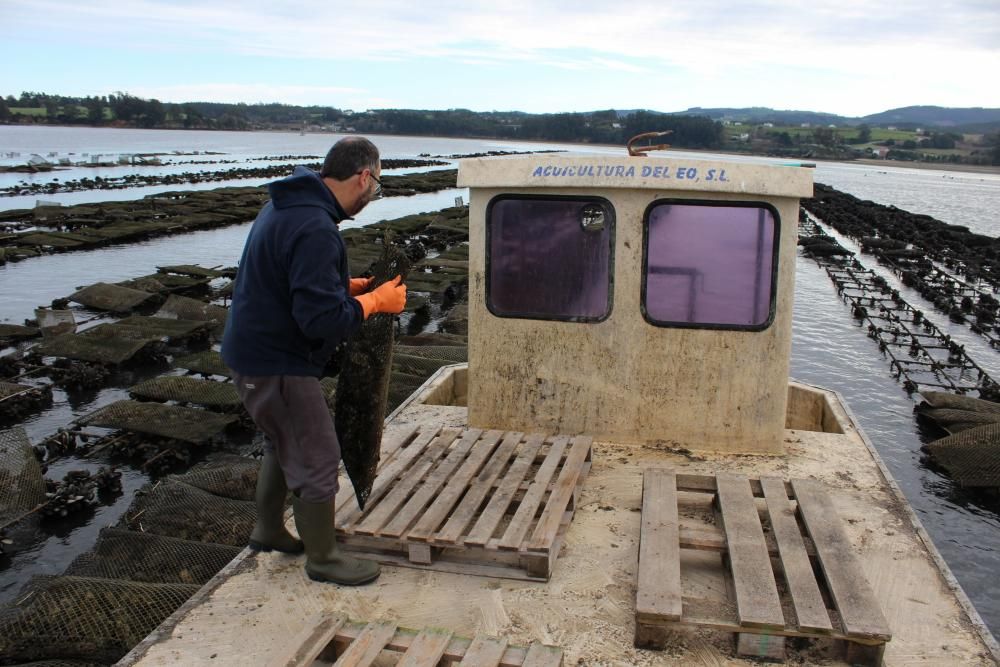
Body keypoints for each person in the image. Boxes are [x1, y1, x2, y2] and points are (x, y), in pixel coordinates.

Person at [221, 137, 407, 586]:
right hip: (277, 364)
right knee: (318, 455)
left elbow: (290, 278)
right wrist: (378, 302)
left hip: (250, 354)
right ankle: (323, 558)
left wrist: (347, 286)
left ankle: (268, 530)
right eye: (377, 186)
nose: (372, 195)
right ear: (364, 176)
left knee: (281, 443)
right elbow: (322, 322)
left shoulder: (286, 207)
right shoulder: (316, 228)